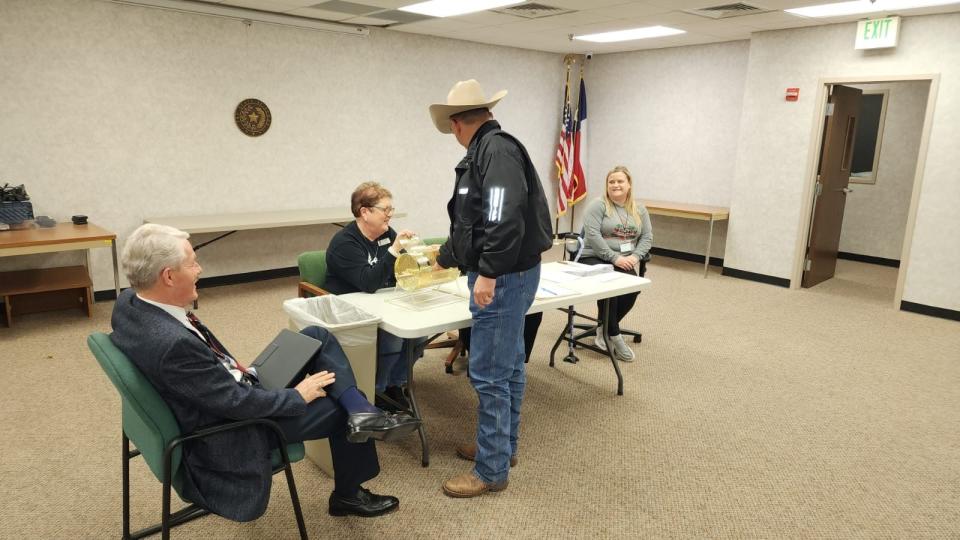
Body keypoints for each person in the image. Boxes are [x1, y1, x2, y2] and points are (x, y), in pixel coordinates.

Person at [109, 224, 420, 522]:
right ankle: (349, 489)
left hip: (228, 385)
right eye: (193, 263)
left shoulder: (131, 302)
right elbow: (235, 404)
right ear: (168, 275)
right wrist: (296, 396)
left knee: (317, 335)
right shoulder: (172, 344)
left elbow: (209, 383)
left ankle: (363, 412)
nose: (200, 270)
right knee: (340, 409)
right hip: (234, 426)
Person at [428, 79, 553, 498]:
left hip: (502, 276)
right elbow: (473, 222)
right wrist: (443, 256)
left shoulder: (495, 151)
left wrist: (488, 273)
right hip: (507, 272)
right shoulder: (486, 151)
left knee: (490, 375)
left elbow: (502, 218)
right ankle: (501, 448)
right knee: (510, 365)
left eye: (451, 128)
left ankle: (491, 470)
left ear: (460, 123)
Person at [324, 182, 416, 411]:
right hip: (351, 308)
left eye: (391, 209)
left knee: (419, 333)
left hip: (382, 302)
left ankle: (395, 381)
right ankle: (379, 389)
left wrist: (413, 257)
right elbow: (369, 283)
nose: (390, 215)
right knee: (394, 336)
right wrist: (394, 251)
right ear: (365, 212)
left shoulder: (386, 235)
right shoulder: (344, 243)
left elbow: (398, 271)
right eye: (385, 210)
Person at [579, 165, 653, 362]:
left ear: (629, 185)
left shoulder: (639, 209)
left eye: (620, 181)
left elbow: (647, 237)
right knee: (610, 284)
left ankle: (603, 327)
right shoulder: (598, 205)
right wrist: (615, 258)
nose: (615, 185)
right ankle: (614, 334)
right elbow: (593, 236)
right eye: (611, 182)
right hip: (593, 257)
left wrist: (636, 256)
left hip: (625, 260)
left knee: (632, 288)